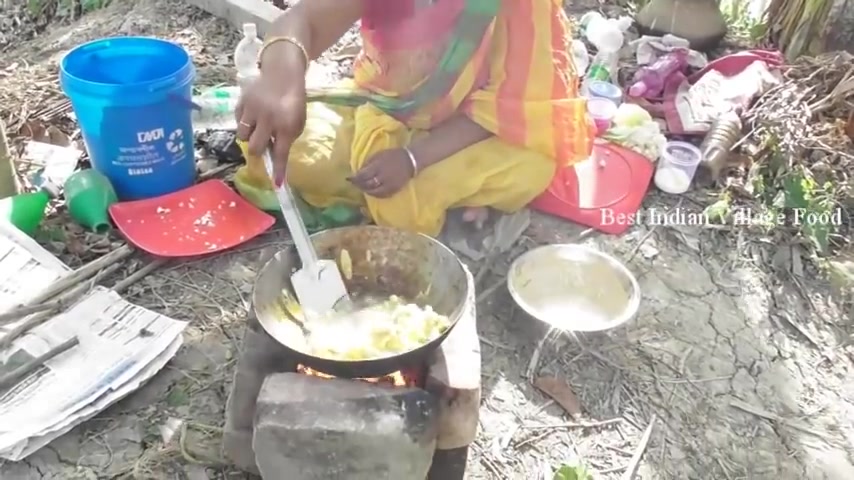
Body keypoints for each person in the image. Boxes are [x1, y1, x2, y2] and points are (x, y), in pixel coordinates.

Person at [235, 0, 593, 237]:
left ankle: (433, 192)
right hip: (389, 110)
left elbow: (514, 106)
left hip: (478, 132)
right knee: (275, 144)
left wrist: (411, 159)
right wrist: (281, 84)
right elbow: (304, 20)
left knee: (532, 166)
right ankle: (457, 199)